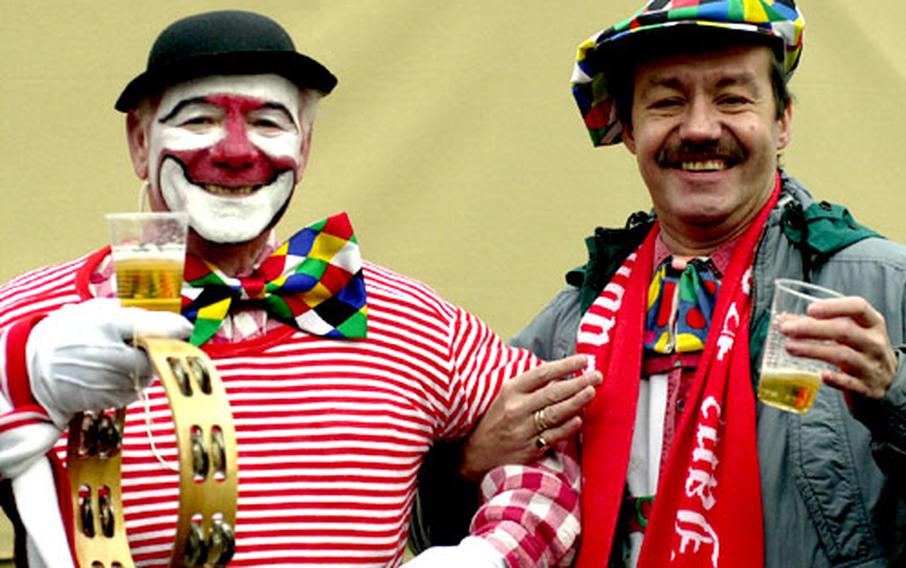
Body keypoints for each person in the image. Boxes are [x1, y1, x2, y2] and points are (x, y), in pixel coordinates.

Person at [0, 10, 603, 567]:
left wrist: (490, 554)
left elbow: (552, 441)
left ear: (305, 147)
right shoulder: (35, 318)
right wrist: (19, 380)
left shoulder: (416, 321)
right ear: (139, 141)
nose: (236, 152)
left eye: (267, 122)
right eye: (199, 120)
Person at [412, 0, 906, 566]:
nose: (699, 128)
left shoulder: (887, 287)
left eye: (732, 98)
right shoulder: (567, 328)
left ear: (783, 121)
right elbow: (465, 539)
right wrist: (467, 464)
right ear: (629, 129)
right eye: (667, 102)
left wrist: (897, 394)